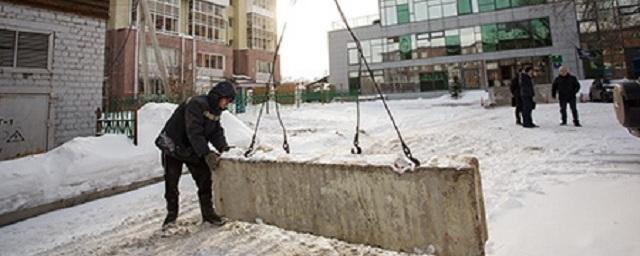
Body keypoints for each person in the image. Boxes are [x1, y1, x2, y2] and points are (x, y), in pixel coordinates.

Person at [154, 81, 236, 228]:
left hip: (191, 147)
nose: (227, 104)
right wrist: (206, 153)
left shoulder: (215, 110)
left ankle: (208, 215)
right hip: (173, 144)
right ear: (219, 96)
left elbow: (215, 132)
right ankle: (171, 218)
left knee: (204, 178)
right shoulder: (196, 104)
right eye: (227, 100)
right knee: (172, 182)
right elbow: (194, 131)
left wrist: (224, 148)